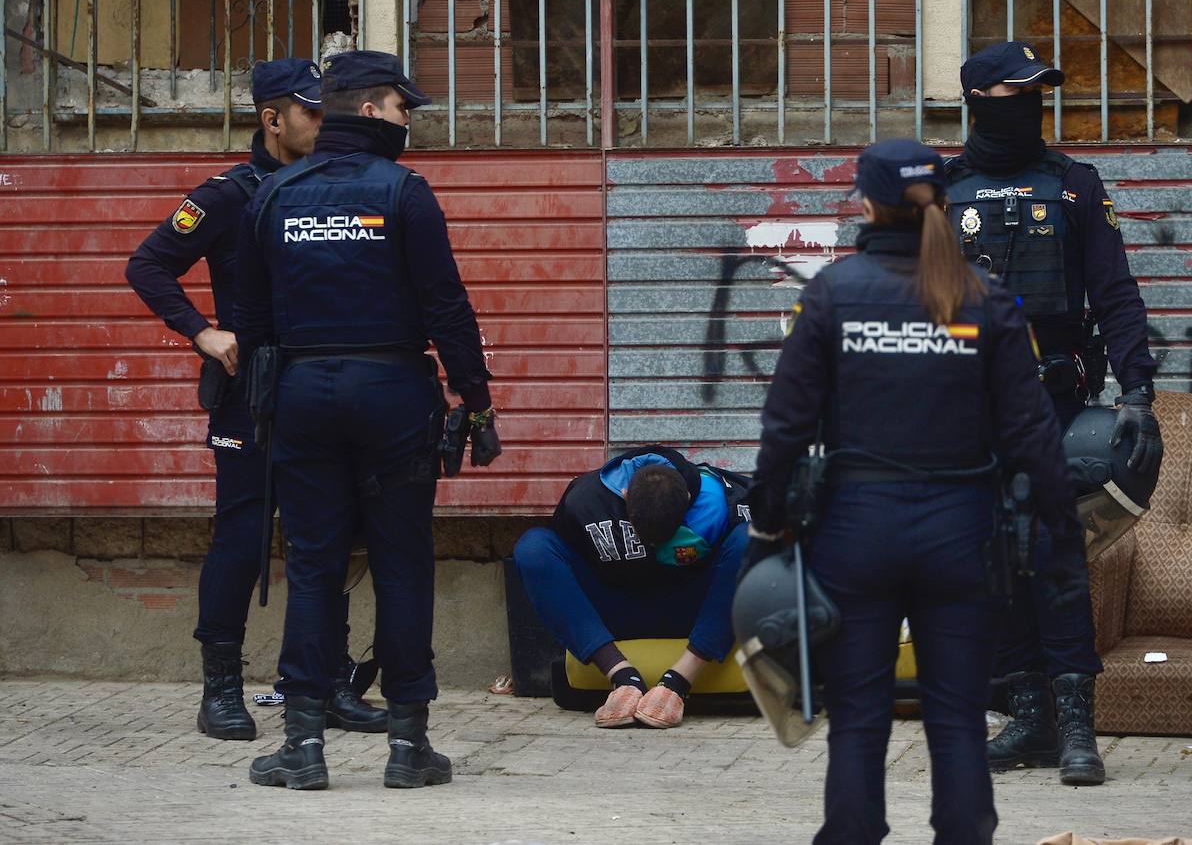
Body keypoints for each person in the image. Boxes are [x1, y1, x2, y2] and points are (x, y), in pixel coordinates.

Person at [747, 139, 1087, 845]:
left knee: (860, 717)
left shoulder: (833, 295)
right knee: (957, 719)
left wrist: (768, 519)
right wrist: (1062, 532)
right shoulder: (985, 301)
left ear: (867, 205)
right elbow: (1032, 434)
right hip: (962, 537)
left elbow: (786, 423)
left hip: (855, 535)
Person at [234, 50, 501, 790]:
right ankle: (409, 747)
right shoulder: (405, 194)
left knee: (315, 568)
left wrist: (266, 400)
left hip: (303, 395)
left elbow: (250, 319)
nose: (408, 121)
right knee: (402, 565)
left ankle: (304, 746)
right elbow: (448, 310)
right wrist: (476, 405)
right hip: (393, 395)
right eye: (402, 107)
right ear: (370, 109)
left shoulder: (275, 195)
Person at [124, 57, 387, 742]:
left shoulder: (332, 184)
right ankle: (220, 690)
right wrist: (202, 332)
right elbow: (147, 265)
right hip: (251, 390)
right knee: (242, 534)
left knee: (326, 531)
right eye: (312, 111)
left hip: (320, 385)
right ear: (273, 119)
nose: (324, 122)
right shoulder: (226, 194)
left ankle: (327, 684)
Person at [945, 41, 1163, 786]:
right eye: (1018, 92)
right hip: (963, 410)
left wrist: (1137, 390)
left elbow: (1116, 294)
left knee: (1055, 558)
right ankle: (1028, 717)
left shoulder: (1073, 186)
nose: (1033, 106)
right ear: (979, 100)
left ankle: (1077, 728)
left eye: (1040, 93)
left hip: (1052, 402)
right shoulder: (940, 194)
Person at [512, 446, 751, 729]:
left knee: (755, 539)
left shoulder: (721, 498)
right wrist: (619, 673)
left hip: (695, 611)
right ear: (625, 497)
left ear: (688, 500)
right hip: (618, 610)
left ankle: (678, 682)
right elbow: (557, 571)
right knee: (534, 547)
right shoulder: (585, 499)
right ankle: (623, 678)